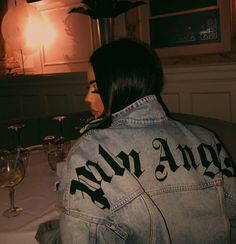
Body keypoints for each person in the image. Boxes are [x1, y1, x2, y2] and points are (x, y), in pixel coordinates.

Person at [57, 38, 236, 243]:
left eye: (96, 88)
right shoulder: (207, 139)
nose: (87, 98)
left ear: (121, 85)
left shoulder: (87, 152)